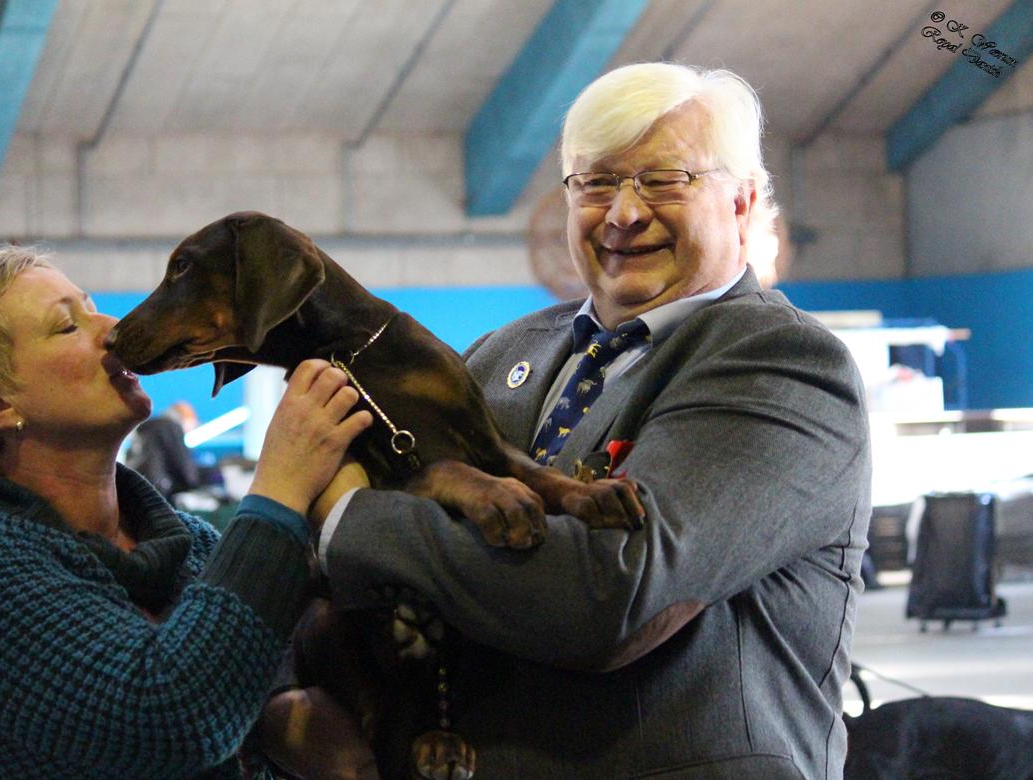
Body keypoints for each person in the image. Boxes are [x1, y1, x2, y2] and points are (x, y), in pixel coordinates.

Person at [258, 62, 871, 779]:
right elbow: (307, 566)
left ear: (741, 202)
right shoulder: (496, 355)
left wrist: (347, 520)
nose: (623, 213)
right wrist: (284, 704)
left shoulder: (780, 362)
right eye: (597, 182)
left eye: (664, 179)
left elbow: (612, 598)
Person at [0, 247, 371, 779]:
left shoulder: (194, 546)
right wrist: (279, 489)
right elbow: (170, 718)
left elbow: (262, 673)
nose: (113, 328)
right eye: (67, 326)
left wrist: (279, 711)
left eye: (93, 307)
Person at [127, 401, 202, 500]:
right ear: (187, 419)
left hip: (136, 487)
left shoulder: (145, 429)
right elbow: (182, 463)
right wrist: (194, 482)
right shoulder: (171, 427)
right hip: (160, 491)